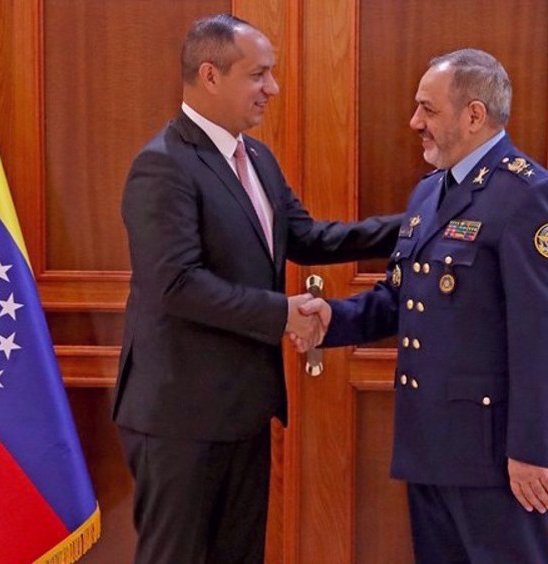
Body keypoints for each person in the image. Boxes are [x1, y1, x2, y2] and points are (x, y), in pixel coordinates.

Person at [112, 14, 402, 564]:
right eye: (259, 75)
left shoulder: (257, 158)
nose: (273, 88)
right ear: (211, 75)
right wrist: (282, 313)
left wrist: (413, 227)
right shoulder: (162, 166)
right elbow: (176, 284)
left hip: (242, 410)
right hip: (180, 417)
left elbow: (309, 238)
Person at [304, 49, 548, 563]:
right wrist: (332, 319)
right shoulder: (429, 193)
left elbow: (542, 336)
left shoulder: (529, 196)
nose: (415, 122)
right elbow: (400, 296)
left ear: (474, 115)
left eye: (427, 109)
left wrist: (529, 451)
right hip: (429, 444)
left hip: (495, 456)